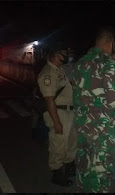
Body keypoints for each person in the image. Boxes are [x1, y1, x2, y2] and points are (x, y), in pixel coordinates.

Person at [72, 26, 115, 193]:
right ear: (110, 43)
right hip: (101, 127)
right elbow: (114, 99)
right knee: (100, 166)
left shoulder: (80, 63)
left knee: (84, 161)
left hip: (82, 123)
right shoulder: (108, 63)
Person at [37, 44, 76, 186]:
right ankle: (57, 173)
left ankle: (69, 166)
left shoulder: (61, 70)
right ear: (55, 55)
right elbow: (49, 100)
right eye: (64, 53)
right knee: (58, 143)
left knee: (71, 141)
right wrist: (57, 122)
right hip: (58, 112)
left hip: (69, 110)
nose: (67, 55)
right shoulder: (48, 73)